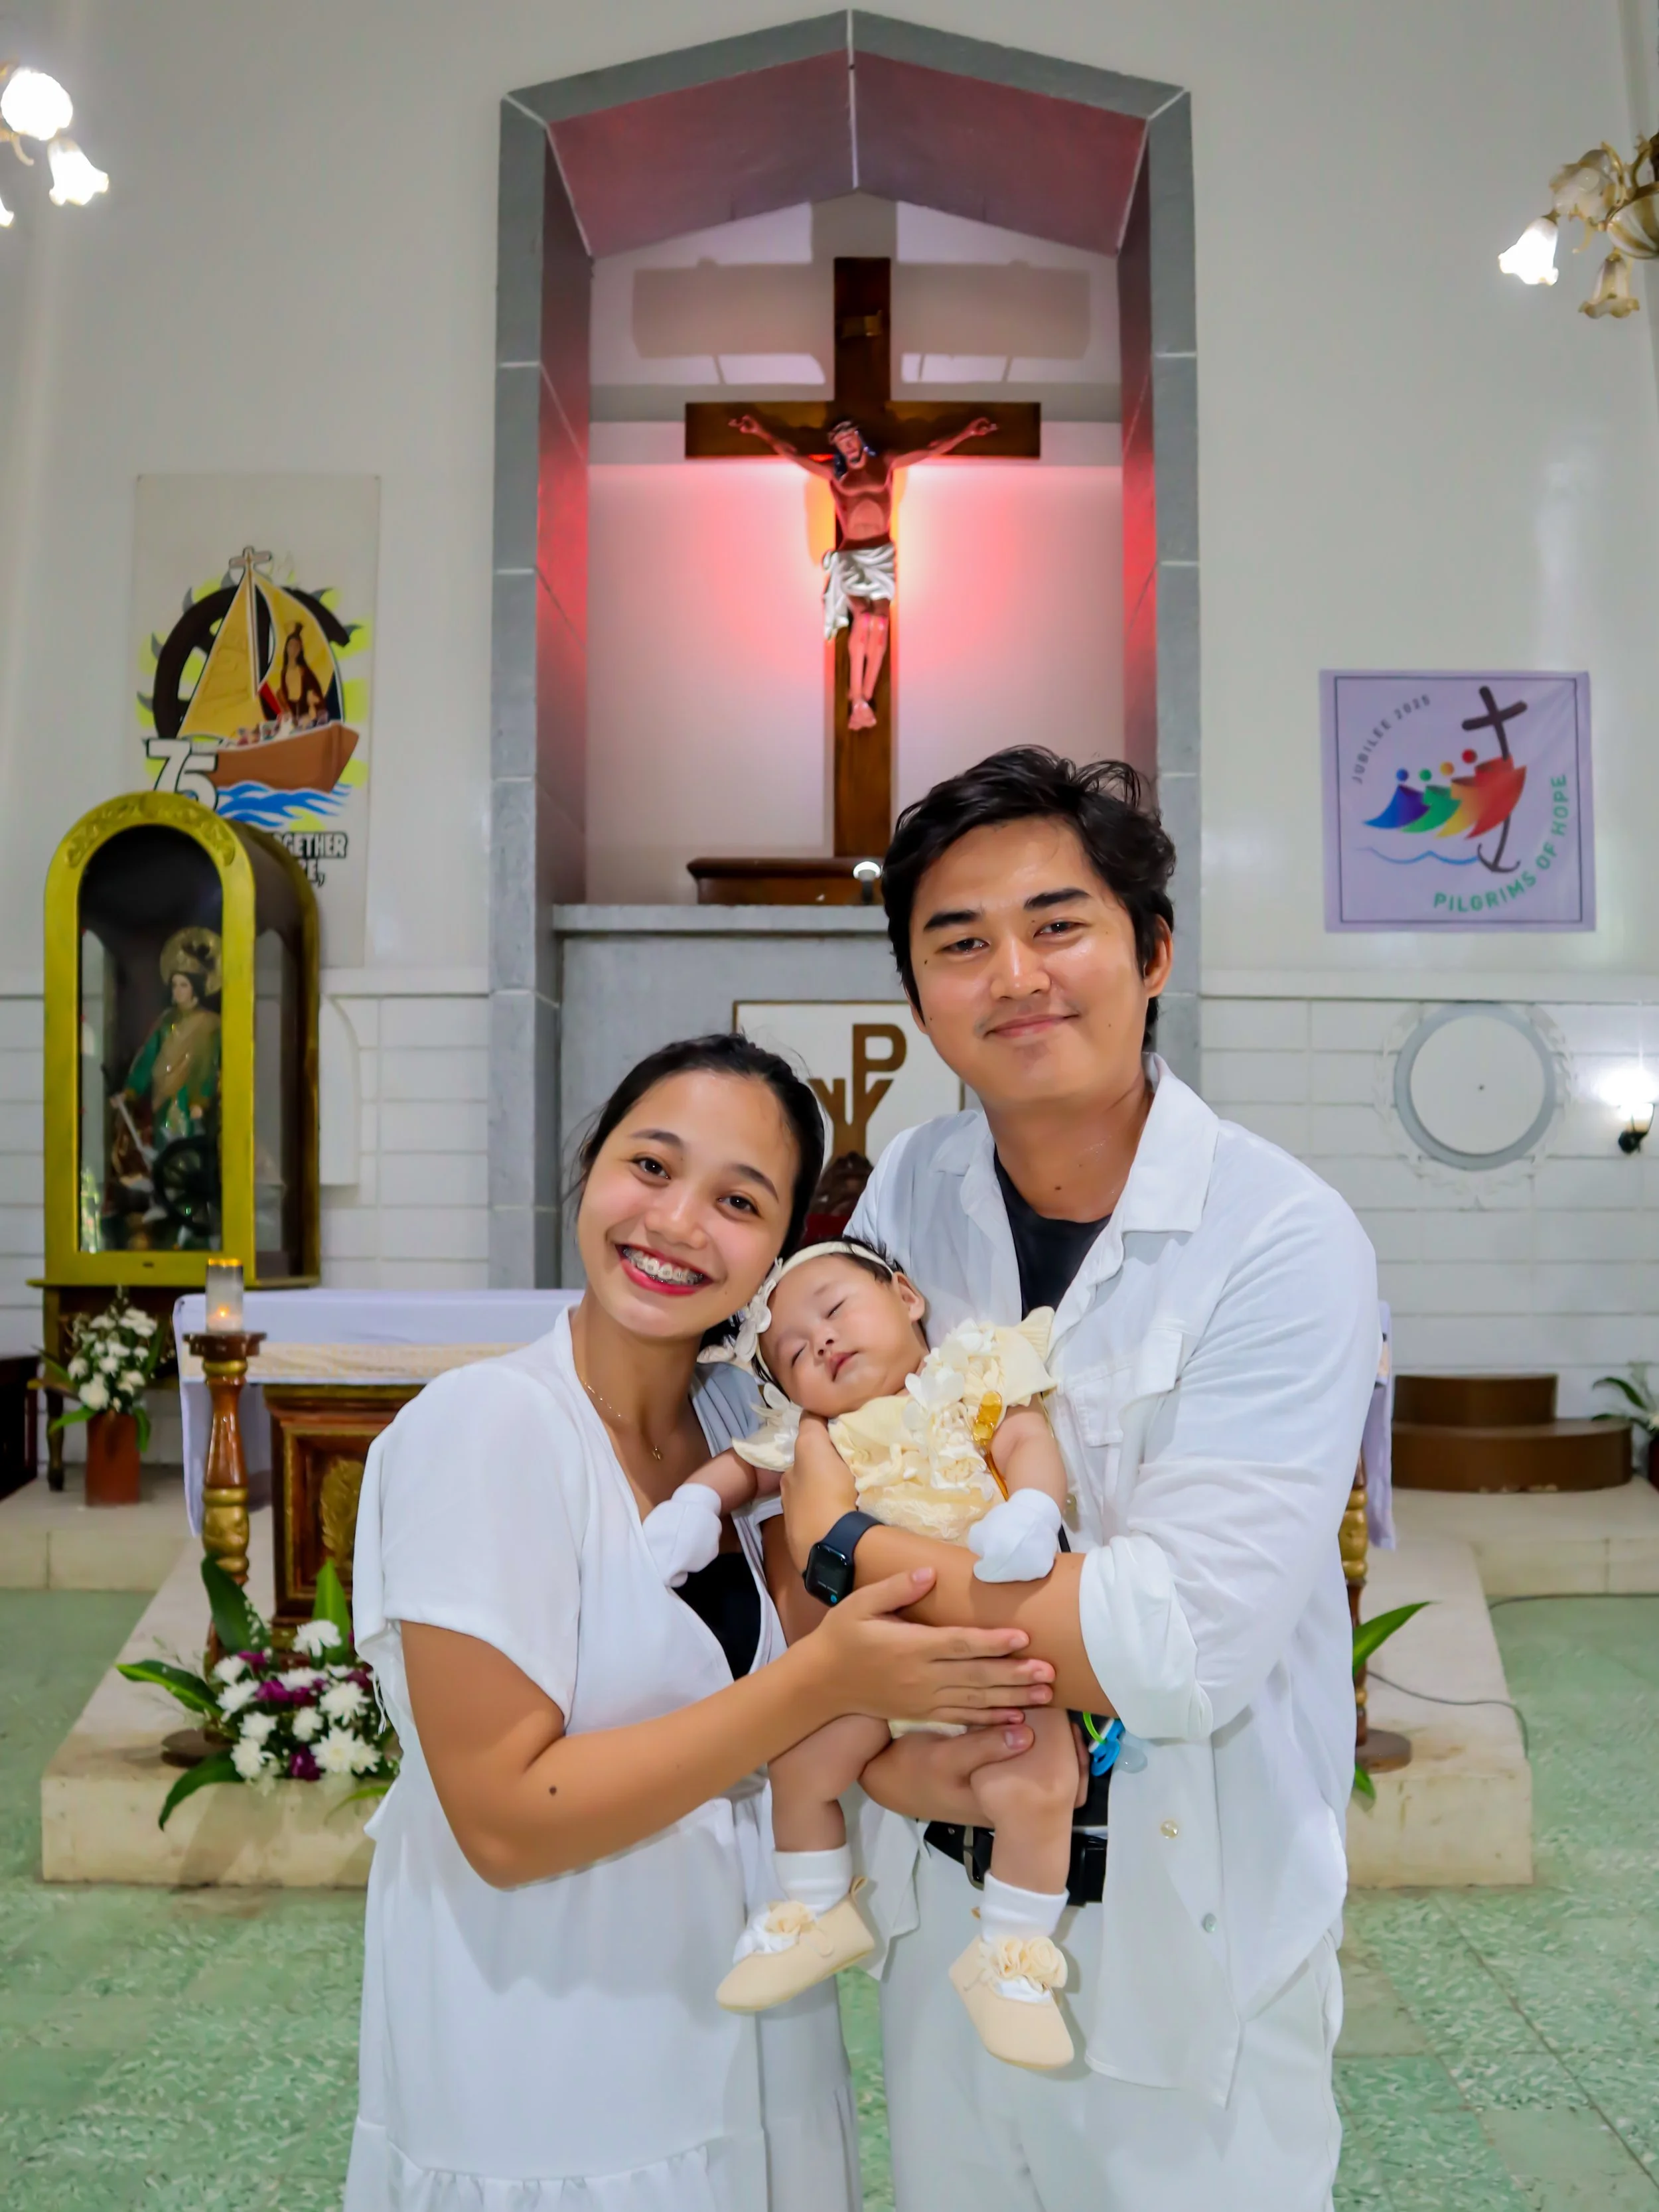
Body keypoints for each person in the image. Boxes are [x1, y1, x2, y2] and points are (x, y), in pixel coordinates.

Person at [778, 749, 1380, 2212]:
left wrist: (849, 1554)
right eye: (958, 941)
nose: (1014, 975)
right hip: (951, 1890)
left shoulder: (1279, 1238)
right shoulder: (913, 1187)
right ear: (919, 995)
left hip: (1195, 1906)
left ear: (1150, 949)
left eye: (1057, 924)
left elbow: (1175, 1652)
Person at [344, 1033, 1054, 2212]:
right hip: (553, 2058)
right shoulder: (488, 1428)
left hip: (757, 2057)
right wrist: (826, 1680)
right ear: (592, 1168)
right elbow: (506, 1821)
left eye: (738, 1199)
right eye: (651, 1166)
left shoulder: (761, 1424)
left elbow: (818, 1743)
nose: (677, 1222)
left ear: (783, 1252)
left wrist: (977, 1748)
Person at [654, 1238, 1079, 2069]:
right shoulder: (816, 1437)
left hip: (991, 1635)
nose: (822, 1341)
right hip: (874, 1652)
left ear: (908, 1297)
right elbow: (743, 1469)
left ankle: (1013, 1961)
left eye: (835, 1310)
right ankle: (816, 1910)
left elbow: (1026, 1438)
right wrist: (693, 1506)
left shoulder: (972, 1376)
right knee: (802, 1765)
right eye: (794, 1353)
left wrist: (1032, 1508)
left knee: (1035, 1783)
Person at [728, 411, 996, 729]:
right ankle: (855, 694)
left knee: (881, 622)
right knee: (865, 618)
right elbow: (793, 454)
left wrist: (967, 432)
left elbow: (931, 448)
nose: (848, 445)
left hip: (881, 554)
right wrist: (760, 430)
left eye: (851, 437)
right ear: (837, 448)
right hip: (853, 555)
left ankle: (864, 699)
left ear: (860, 439)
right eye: (841, 442)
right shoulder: (833, 474)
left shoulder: (886, 463)